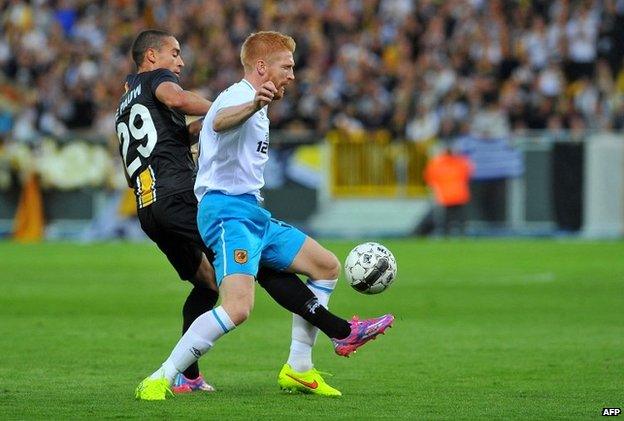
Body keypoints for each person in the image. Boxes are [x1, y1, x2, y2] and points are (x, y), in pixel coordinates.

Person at [119, 30, 391, 400]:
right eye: (287, 66)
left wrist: (243, 113)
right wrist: (244, 106)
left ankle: (299, 367)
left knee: (325, 266)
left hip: (204, 205)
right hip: (220, 210)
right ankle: (163, 376)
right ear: (262, 67)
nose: (293, 74)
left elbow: (204, 132)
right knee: (239, 304)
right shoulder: (237, 95)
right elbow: (216, 119)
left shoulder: (134, 98)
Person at [424, 146, 473, 235]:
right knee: (461, 216)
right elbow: (469, 172)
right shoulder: (460, 162)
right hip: (459, 193)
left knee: (447, 217)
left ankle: (447, 233)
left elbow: (429, 178)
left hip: (445, 195)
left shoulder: (436, 164)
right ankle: (463, 234)